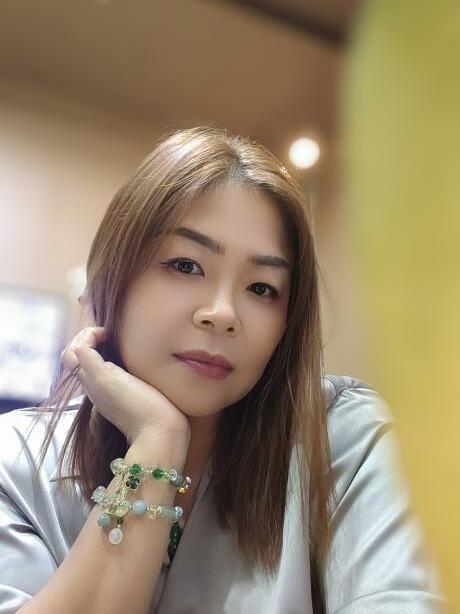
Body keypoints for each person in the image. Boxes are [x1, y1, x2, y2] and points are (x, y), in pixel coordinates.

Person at [0, 126, 448, 613]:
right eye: (185, 265)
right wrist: (156, 443)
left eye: (261, 288)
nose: (223, 313)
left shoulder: (342, 440)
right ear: (112, 276)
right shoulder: (16, 464)